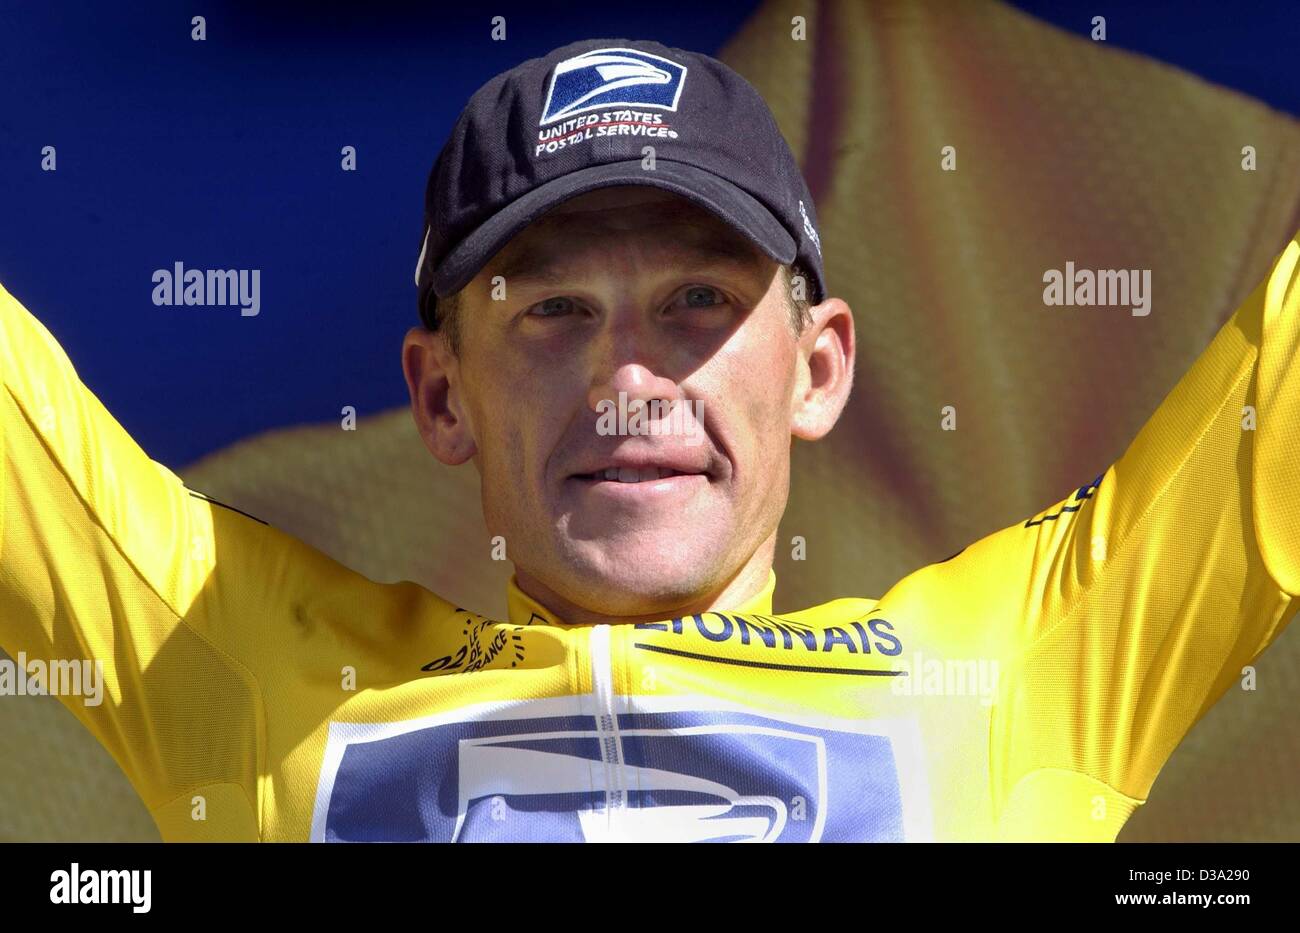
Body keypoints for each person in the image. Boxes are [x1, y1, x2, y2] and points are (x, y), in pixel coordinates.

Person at [1, 38, 1297, 842]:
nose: (629, 378)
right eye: (556, 312)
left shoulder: (1013, 680)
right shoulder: (249, 670)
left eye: (698, 303)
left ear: (820, 365)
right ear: (440, 397)